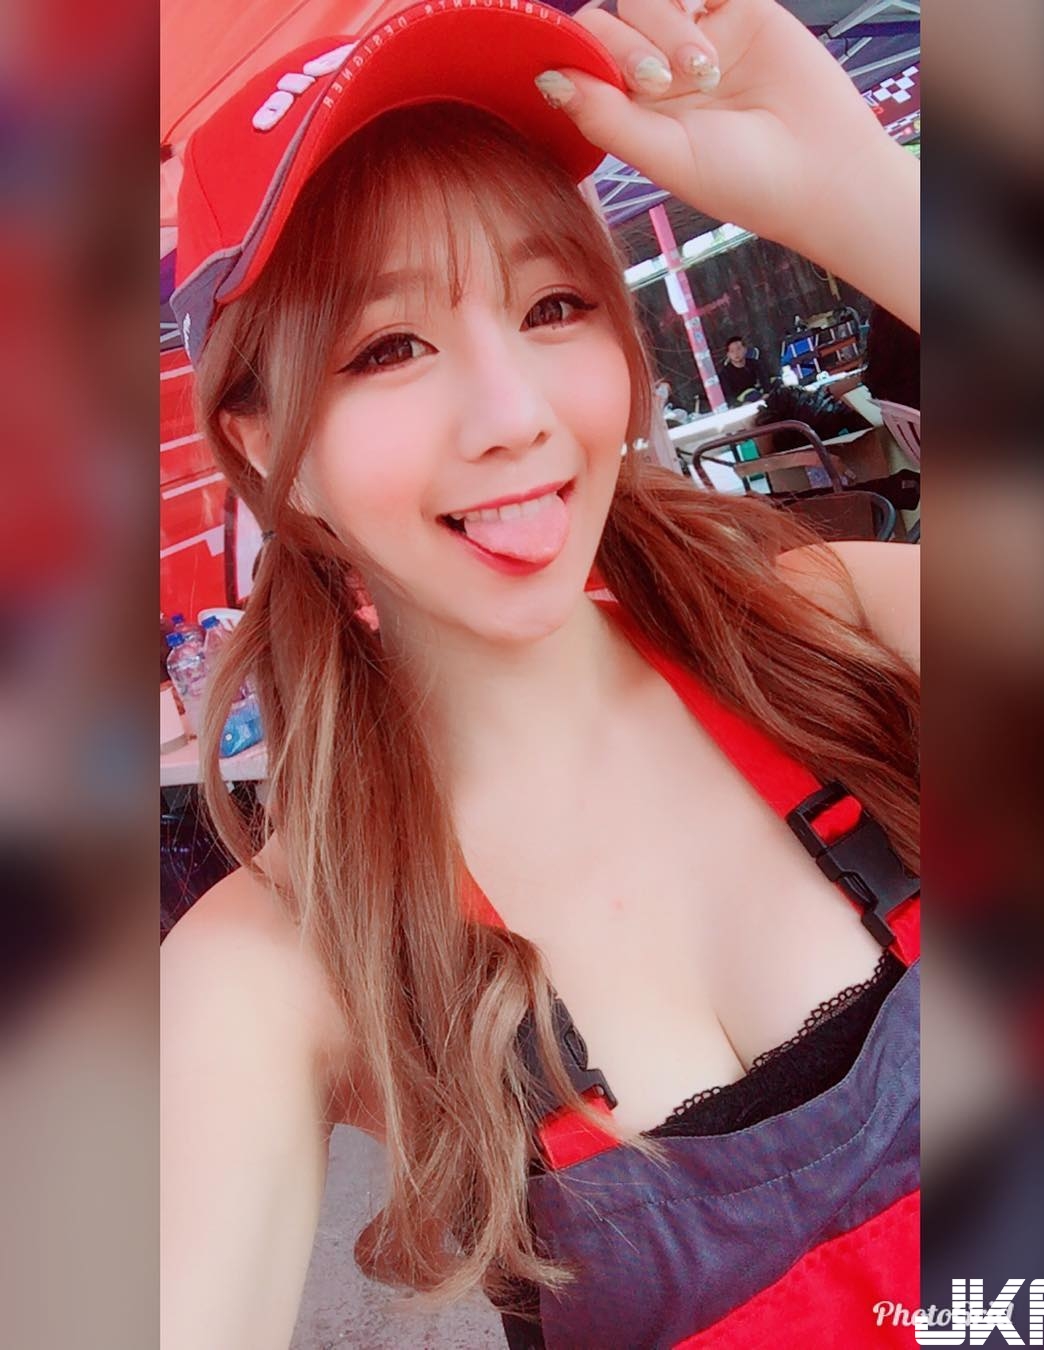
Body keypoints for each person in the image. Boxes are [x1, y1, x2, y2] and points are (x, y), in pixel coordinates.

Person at [161, 2, 920, 1347]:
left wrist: (882, 212)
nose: (514, 416)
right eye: (387, 346)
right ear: (267, 444)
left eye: (554, 305)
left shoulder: (834, 632)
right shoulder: (286, 957)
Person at [718, 334, 767, 406]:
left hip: (759, 393)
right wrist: (740, 404)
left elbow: (765, 380)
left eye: (738, 349)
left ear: (745, 349)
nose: (736, 353)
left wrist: (766, 393)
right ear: (728, 354)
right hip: (742, 401)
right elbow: (729, 395)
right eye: (732, 351)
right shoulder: (725, 373)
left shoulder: (755, 363)